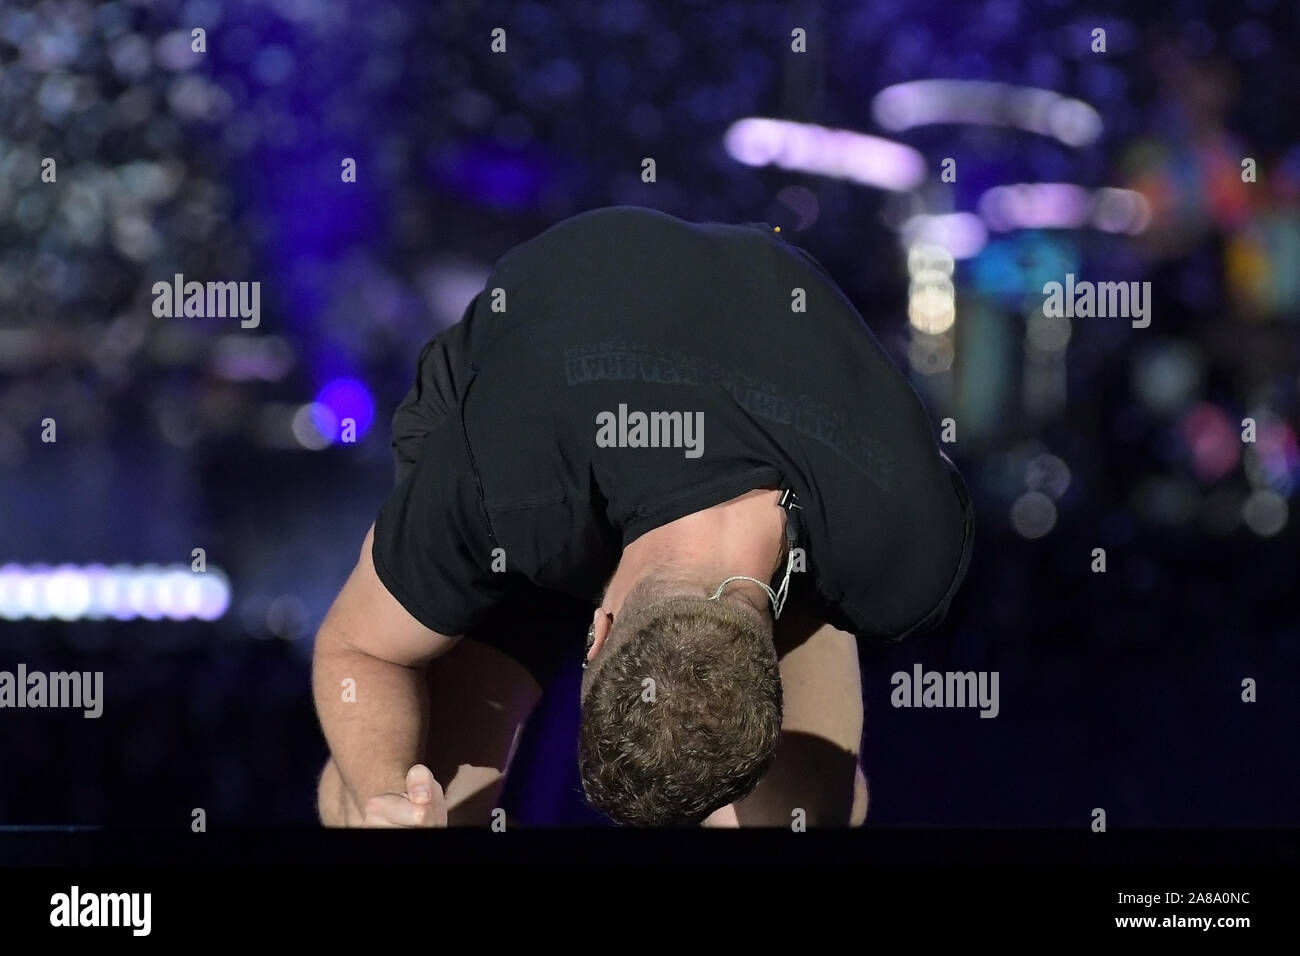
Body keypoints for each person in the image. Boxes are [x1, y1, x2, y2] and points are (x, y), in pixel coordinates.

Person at [312, 206, 973, 827]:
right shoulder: (506, 476)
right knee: (415, 797)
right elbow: (358, 650)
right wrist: (383, 792)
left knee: (797, 815)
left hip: (716, 399)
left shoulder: (898, 547)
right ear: (594, 629)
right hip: (531, 414)